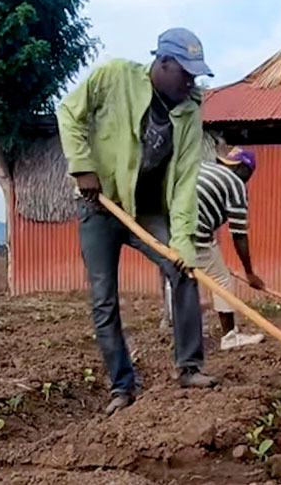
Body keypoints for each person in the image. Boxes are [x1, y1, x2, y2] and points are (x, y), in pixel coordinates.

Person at [57, 28, 218, 416]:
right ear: (163, 63)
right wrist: (82, 167)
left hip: (146, 211)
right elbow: (68, 113)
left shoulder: (189, 110)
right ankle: (122, 386)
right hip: (101, 206)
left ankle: (190, 367)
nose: (191, 82)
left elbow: (183, 183)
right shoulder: (113, 77)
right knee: (104, 298)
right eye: (186, 73)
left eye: (196, 75)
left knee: (183, 270)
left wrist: (182, 243)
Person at [161, 148, 266, 351]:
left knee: (178, 279)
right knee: (221, 280)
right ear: (244, 169)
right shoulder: (236, 185)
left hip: (169, 229)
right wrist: (250, 273)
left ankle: (178, 332)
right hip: (192, 235)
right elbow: (239, 235)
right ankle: (229, 337)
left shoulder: (204, 168)